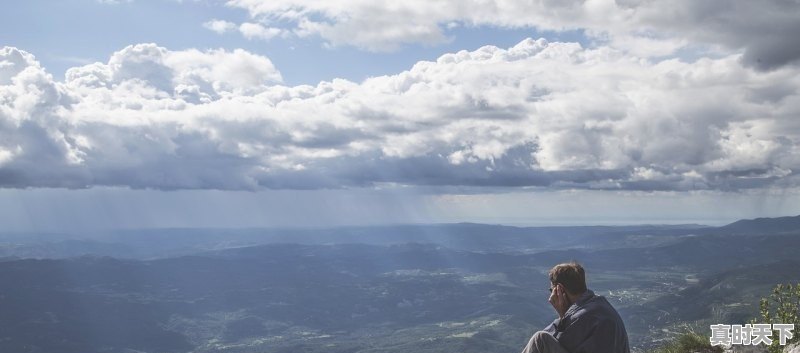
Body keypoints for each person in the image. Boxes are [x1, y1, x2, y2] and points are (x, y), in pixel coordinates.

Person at [521, 262, 630, 353]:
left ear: (560, 290)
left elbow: (555, 340)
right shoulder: (599, 305)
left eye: (552, 291)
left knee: (540, 339)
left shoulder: (583, 315)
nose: (551, 297)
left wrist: (563, 314)